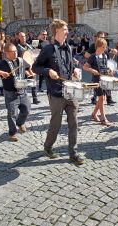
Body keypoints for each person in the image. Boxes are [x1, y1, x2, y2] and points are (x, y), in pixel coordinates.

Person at [32, 19, 85, 165]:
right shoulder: (48, 49)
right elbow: (35, 67)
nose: (67, 31)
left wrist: (74, 69)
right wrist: (48, 71)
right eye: (65, 29)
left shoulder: (68, 47)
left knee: (74, 121)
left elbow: (70, 65)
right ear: (57, 32)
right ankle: (48, 146)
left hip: (70, 91)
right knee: (56, 123)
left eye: (67, 29)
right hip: (55, 93)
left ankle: (73, 153)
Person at [0, 43, 32, 141]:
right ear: (7, 53)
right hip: (10, 93)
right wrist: (1, 73)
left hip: (23, 91)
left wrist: (30, 73)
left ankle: (20, 123)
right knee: (12, 114)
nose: (16, 53)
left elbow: (27, 68)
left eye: (16, 51)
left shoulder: (21, 60)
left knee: (27, 109)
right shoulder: (2, 63)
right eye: (13, 52)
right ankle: (12, 133)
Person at [83, 38, 113, 127]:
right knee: (101, 98)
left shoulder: (104, 56)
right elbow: (85, 67)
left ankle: (93, 114)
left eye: (105, 47)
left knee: (101, 98)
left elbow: (105, 67)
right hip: (96, 80)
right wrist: (91, 70)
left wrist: (109, 70)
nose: (105, 49)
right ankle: (103, 118)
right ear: (98, 46)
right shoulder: (92, 56)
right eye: (103, 47)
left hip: (104, 79)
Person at [85, 31, 118, 105]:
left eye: (104, 37)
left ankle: (109, 99)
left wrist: (114, 50)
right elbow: (86, 54)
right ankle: (94, 98)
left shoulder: (104, 44)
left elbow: (109, 50)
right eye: (102, 37)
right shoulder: (94, 45)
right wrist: (94, 58)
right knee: (97, 84)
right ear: (97, 37)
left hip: (105, 67)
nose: (103, 38)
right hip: (97, 68)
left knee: (108, 82)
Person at [17, 31, 40, 104]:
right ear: (19, 37)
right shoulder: (17, 47)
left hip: (30, 66)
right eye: (21, 36)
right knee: (24, 83)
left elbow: (34, 54)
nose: (23, 38)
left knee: (33, 82)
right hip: (22, 67)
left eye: (24, 36)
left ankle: (35, 98)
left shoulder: (29, 46)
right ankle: (22, 98)